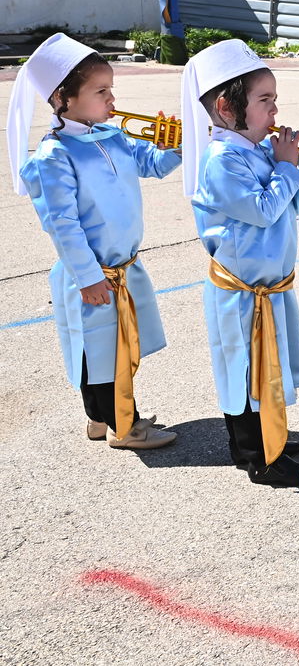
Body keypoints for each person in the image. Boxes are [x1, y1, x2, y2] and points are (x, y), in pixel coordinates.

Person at [9, 33, 180, 450]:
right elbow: (62, 224)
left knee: (99, 349)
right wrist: (87, 276)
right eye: (100, 91)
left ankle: (99, 419)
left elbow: (151, 165)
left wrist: (172, 146)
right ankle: (128, 426)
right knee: (108, 354)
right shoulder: (55, 156)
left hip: (121, 268)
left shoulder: (113, 135)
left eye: (111, 89)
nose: (111, 99)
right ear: (63, 99)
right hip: (93, 273)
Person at [183, 39, 299, 486]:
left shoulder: (259, 150)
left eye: (274, 100)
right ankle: (255, 456)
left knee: (271, 367)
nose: (275, 112)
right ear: (227, 107)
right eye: (265, 101)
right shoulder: (221, 160)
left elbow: (283, 209)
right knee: (244, 373)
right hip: (241, 294)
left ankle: (275, 439)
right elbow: (263, 210)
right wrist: (287, 169)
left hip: (269, 286)